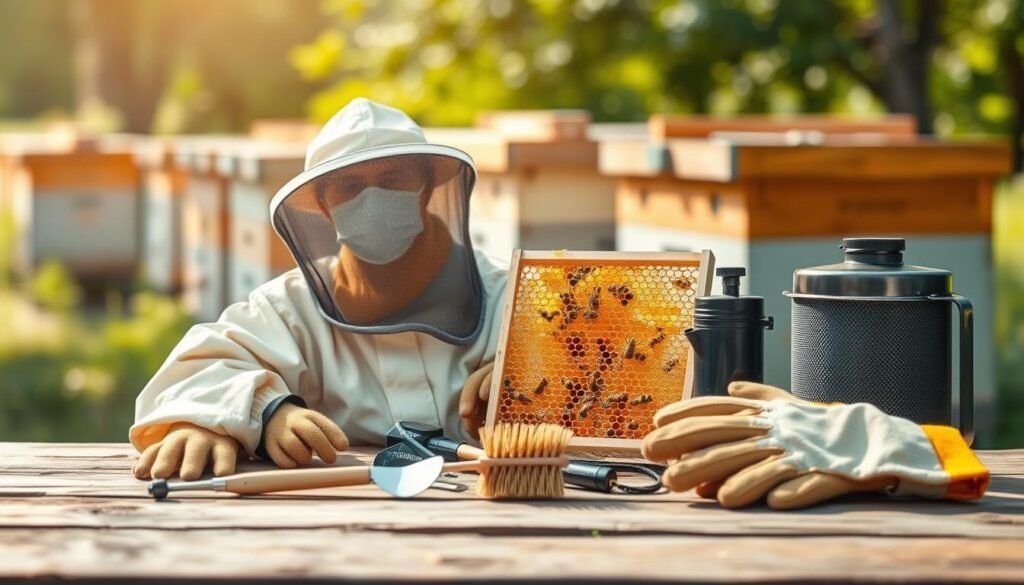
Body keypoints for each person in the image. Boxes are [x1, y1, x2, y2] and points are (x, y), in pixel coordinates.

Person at [131, 99, 503, 481]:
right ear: (324, 206)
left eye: (393, 177)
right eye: (349, 185)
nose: (372, 199)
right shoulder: (288, 309)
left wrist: (535, 379)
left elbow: (567, 377)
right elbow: (195, 373)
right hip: (338, 522)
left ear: (425, 187)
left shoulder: (516, 297)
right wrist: (260, 412)